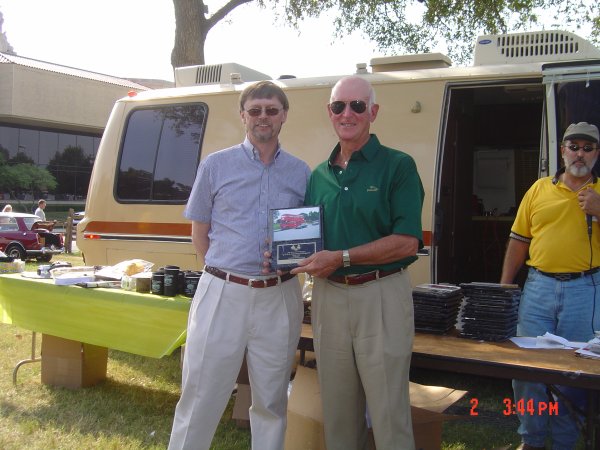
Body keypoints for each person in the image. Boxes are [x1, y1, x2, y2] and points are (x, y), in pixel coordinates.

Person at [168, 80, 311, 450]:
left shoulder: (301, 173)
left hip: (279, 297)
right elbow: (200, 234)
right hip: (222, 292)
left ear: (284, 116)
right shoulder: (215, 165)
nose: (263, 117)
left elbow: (305, 233)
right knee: (200, 394)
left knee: (271, 401)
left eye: (271, 110)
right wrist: (224, 273)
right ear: (243, 115)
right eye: (256, 110)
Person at [291, 75, 424, 450]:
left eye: (357, 106)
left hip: (380, 294)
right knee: (337, 410)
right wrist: (284, 254)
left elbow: (406, 241)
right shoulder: (319, 175)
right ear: (329, 112)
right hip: (329, 299)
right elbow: (307, 239)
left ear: (373, 112)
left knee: (387, 411)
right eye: (338, 106)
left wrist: (343, 257)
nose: (347, 113)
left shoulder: (398, 166)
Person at [500, 121, 600, 450]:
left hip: (585, 290)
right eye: (574, 146)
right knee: (527, 368)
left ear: (596, 153)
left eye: (588, 148)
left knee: (574, 369)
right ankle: (531, 438)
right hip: (539, 288)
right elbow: (519, 240)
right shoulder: (539, 189)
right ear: (562, 150)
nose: (580, 154)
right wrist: (504, 285)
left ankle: (565, 442)